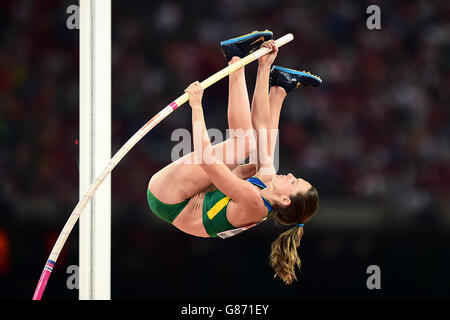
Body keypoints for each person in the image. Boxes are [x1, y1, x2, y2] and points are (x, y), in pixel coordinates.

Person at [147, 31, 321, 284]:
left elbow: (208, 161)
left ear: (284, 199)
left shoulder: (254, 203)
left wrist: (197, 107)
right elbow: (263, 126)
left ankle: (235, 58)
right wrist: (264, 66)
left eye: (294, 182)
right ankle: (279, 87)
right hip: (199, 193)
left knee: (245, 144)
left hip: (169, 200)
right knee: (260, 151)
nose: (292, 175)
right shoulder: (267, 187)